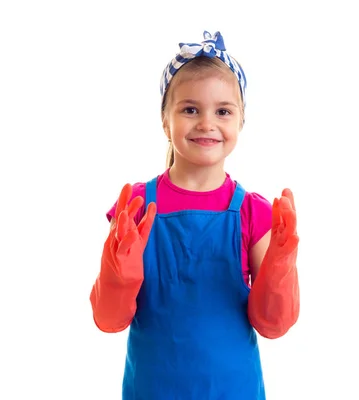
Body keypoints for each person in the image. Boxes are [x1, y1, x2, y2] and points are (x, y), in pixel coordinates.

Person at [90, 30, 300, 400]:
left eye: (223, 111)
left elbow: (272, 324)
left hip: (233, 390)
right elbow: (109, 320)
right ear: (164, 120)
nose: (206, 123)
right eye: (190, 109)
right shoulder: (136, 207)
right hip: (153, 390)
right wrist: (117, 272)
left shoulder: (254, 212)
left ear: (241, 122)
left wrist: (280, 265)